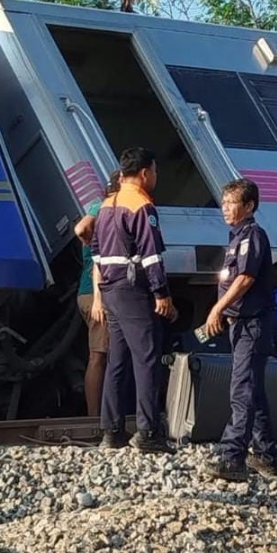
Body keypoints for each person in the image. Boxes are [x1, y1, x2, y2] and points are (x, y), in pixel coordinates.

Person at [91, 147, 176, 453]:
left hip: (111, 288)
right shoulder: (141, 205)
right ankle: (148, 431)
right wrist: (161, 293)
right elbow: (151, 256)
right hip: (133, 290)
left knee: (118, 360)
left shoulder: (106, 204)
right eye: (154, 171)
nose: (155, 177)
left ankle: (111, 431)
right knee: (147, 357)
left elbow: (96, 252)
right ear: (144, 173)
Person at [201, 178, 277, 482]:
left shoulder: (252, 236)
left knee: (242, 389)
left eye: (231, 202)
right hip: (241, 323)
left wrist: (217, 308)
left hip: (252, 323)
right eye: (223, 202)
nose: (225, 208)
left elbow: (245, 278)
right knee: (254, 390)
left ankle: (232, 456)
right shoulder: (236, 237)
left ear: (248, 206)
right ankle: (266, 455)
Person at [73, 169, 120, 418]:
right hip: (95, 294)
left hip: (88, 293)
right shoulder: (102, 209)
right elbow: (81, 229)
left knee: (103, 355)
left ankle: (101, 415)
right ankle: (95, 418)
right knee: (99, 357)